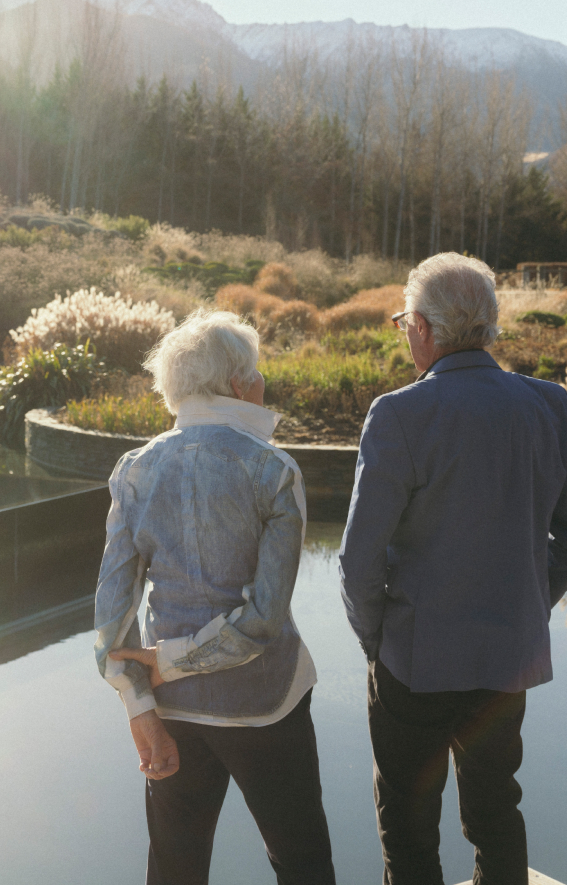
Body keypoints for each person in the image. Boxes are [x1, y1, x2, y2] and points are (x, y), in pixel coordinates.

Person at [339, 252, 567, 885]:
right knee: (494, 811)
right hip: (505, 658)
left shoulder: (399, 415)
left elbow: (357, 561)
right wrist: (528, 603)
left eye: (406, 321)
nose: (404, 332)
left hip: (413, 659)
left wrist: (378, 638)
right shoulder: (549, 405)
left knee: (407, 823)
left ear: (425, 329)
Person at [95, 309, 336, 885]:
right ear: (237, 384)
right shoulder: (273, 468)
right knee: (302, 863)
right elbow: (262, 622)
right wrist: (174, 664)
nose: (262, 383)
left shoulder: (134, 469)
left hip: (169, 706)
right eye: (256, 373)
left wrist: (141, 709)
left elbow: (111, 622)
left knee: (175, 870)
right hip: (265, 704)